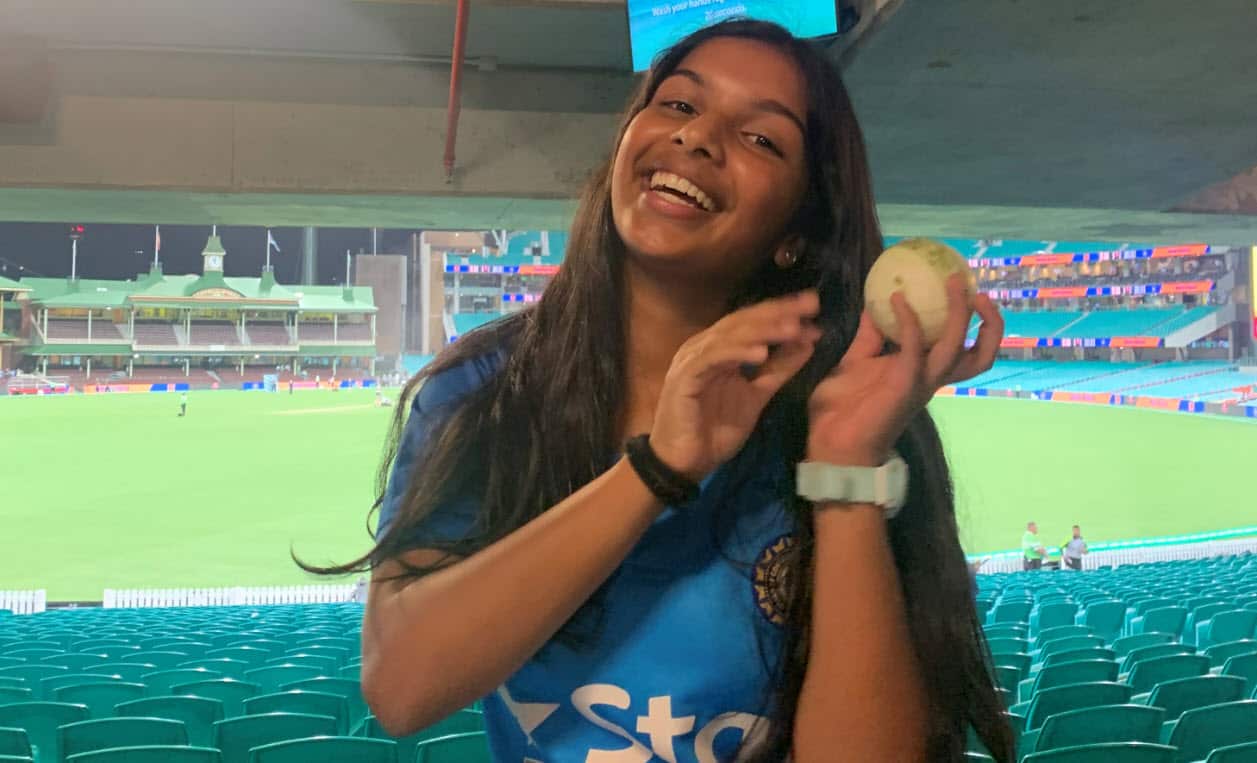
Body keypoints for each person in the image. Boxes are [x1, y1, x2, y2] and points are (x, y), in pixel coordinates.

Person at [304, 20, 1011, 762]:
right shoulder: (479, 394)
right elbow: (401, 685)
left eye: (761, 139)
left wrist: (844, 474)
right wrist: (657, 468)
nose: (698, 138)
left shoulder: (856, 420)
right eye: (677, 105)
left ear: (796, 232)